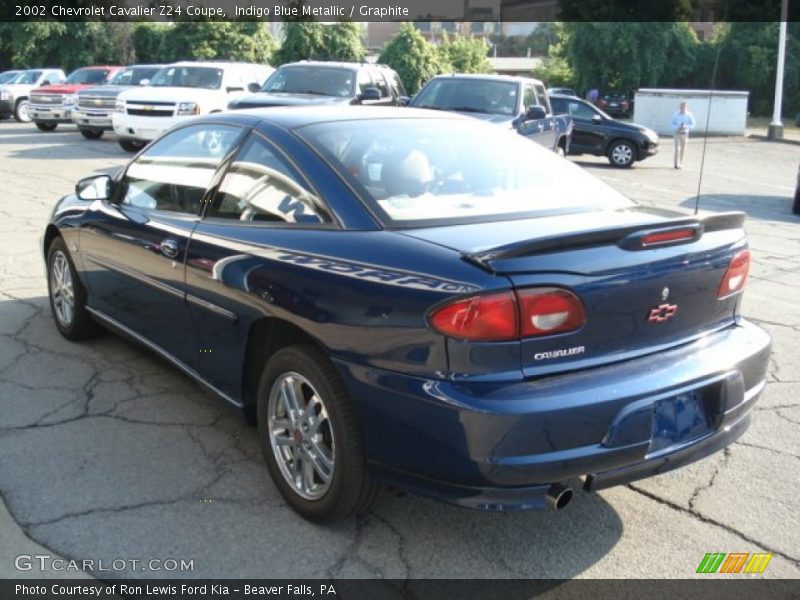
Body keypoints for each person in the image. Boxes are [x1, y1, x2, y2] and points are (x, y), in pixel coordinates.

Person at [670, 101, 696, 169]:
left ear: (686, 107)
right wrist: (677, 127)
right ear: (680, 107)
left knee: (683, 149)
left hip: (685, 133)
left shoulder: (689, 115)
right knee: (677, 149)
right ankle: (676, 163)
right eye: (681, 106)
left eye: (684, 106)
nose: (682, 108)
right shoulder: (675, 114)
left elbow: (693, 124)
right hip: (677, 133)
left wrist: (686, 126)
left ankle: (681, 163)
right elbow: (671, 124)